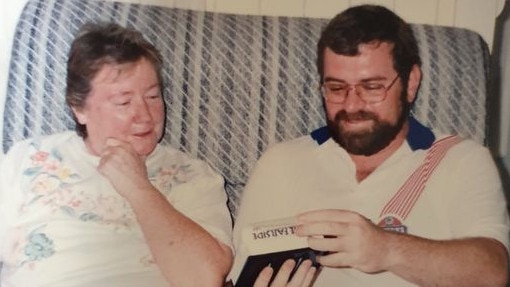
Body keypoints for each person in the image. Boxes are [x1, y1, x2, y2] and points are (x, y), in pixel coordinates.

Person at [231, 5, 510, 286]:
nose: (352, 105)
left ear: (411, 83)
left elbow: (494, 272)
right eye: (337, 88)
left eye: (372, 87)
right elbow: (236, 275)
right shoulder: (281, 162)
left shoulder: (461, 161)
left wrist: (386, 249)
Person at [0, 22, 233, 286]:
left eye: (153, 96)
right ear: (79, 108)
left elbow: (203, 278)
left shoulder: (193, 176)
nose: (144, 116)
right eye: (124, 102)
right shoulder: (28, 160)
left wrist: (138, 188)